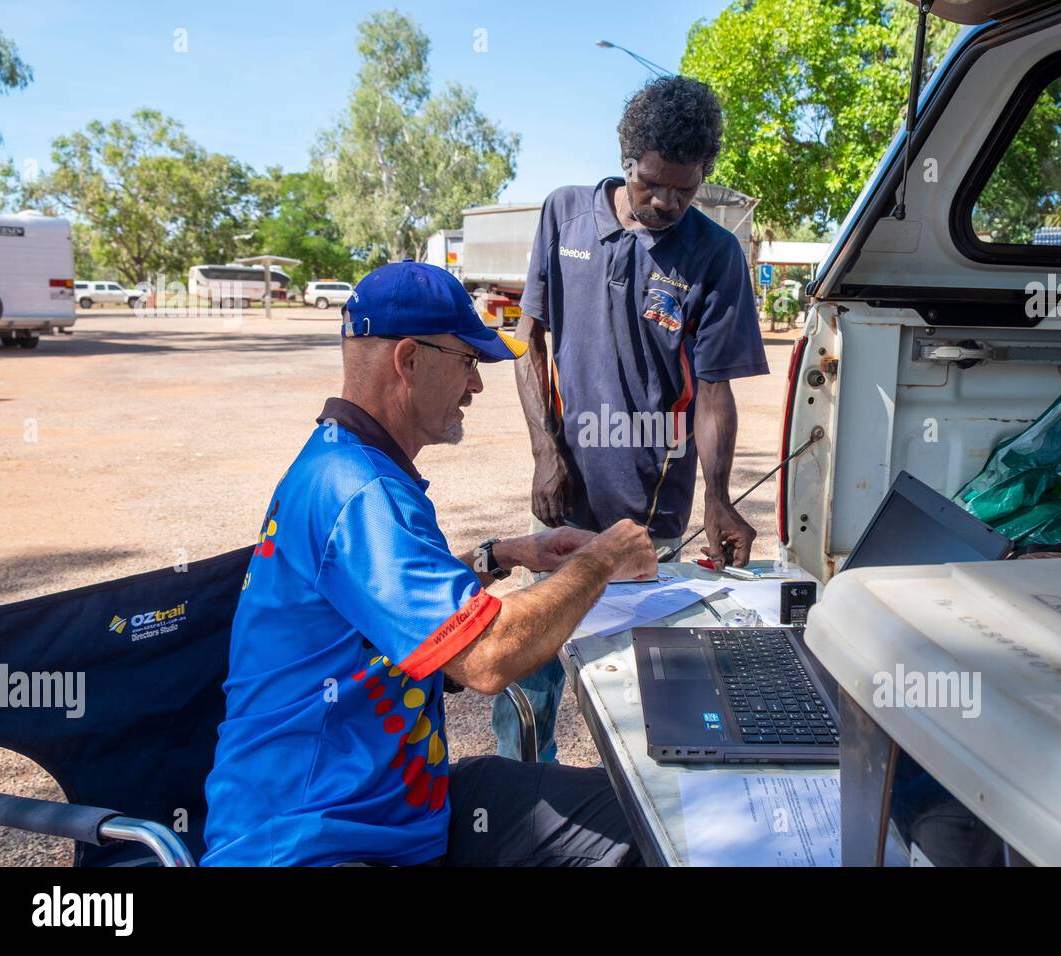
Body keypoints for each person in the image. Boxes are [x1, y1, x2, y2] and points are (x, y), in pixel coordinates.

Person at [202, 261, 657, 866]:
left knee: (649, 817)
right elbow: (488, 656)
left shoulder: (344, 463)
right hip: (317, 843)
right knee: (647, 837)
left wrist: (501, 555)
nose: (476, 386)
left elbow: (387, 603)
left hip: (403, 815)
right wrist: (600, 559)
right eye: (469, 361)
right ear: (410, 359)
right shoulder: (359, 490)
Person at [496, 75, 769, 760]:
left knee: (656, 687)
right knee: (530, 676)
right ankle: (525, 796)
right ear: (627, 160)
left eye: (687, 188)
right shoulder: (564, 216)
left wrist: (718, 495)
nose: (668, 202)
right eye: (653, 184)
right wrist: (544, 453)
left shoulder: (715, 255)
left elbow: (713, 391)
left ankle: (662, 818)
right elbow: (529, 340)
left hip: (653, 514)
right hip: (564, 498)